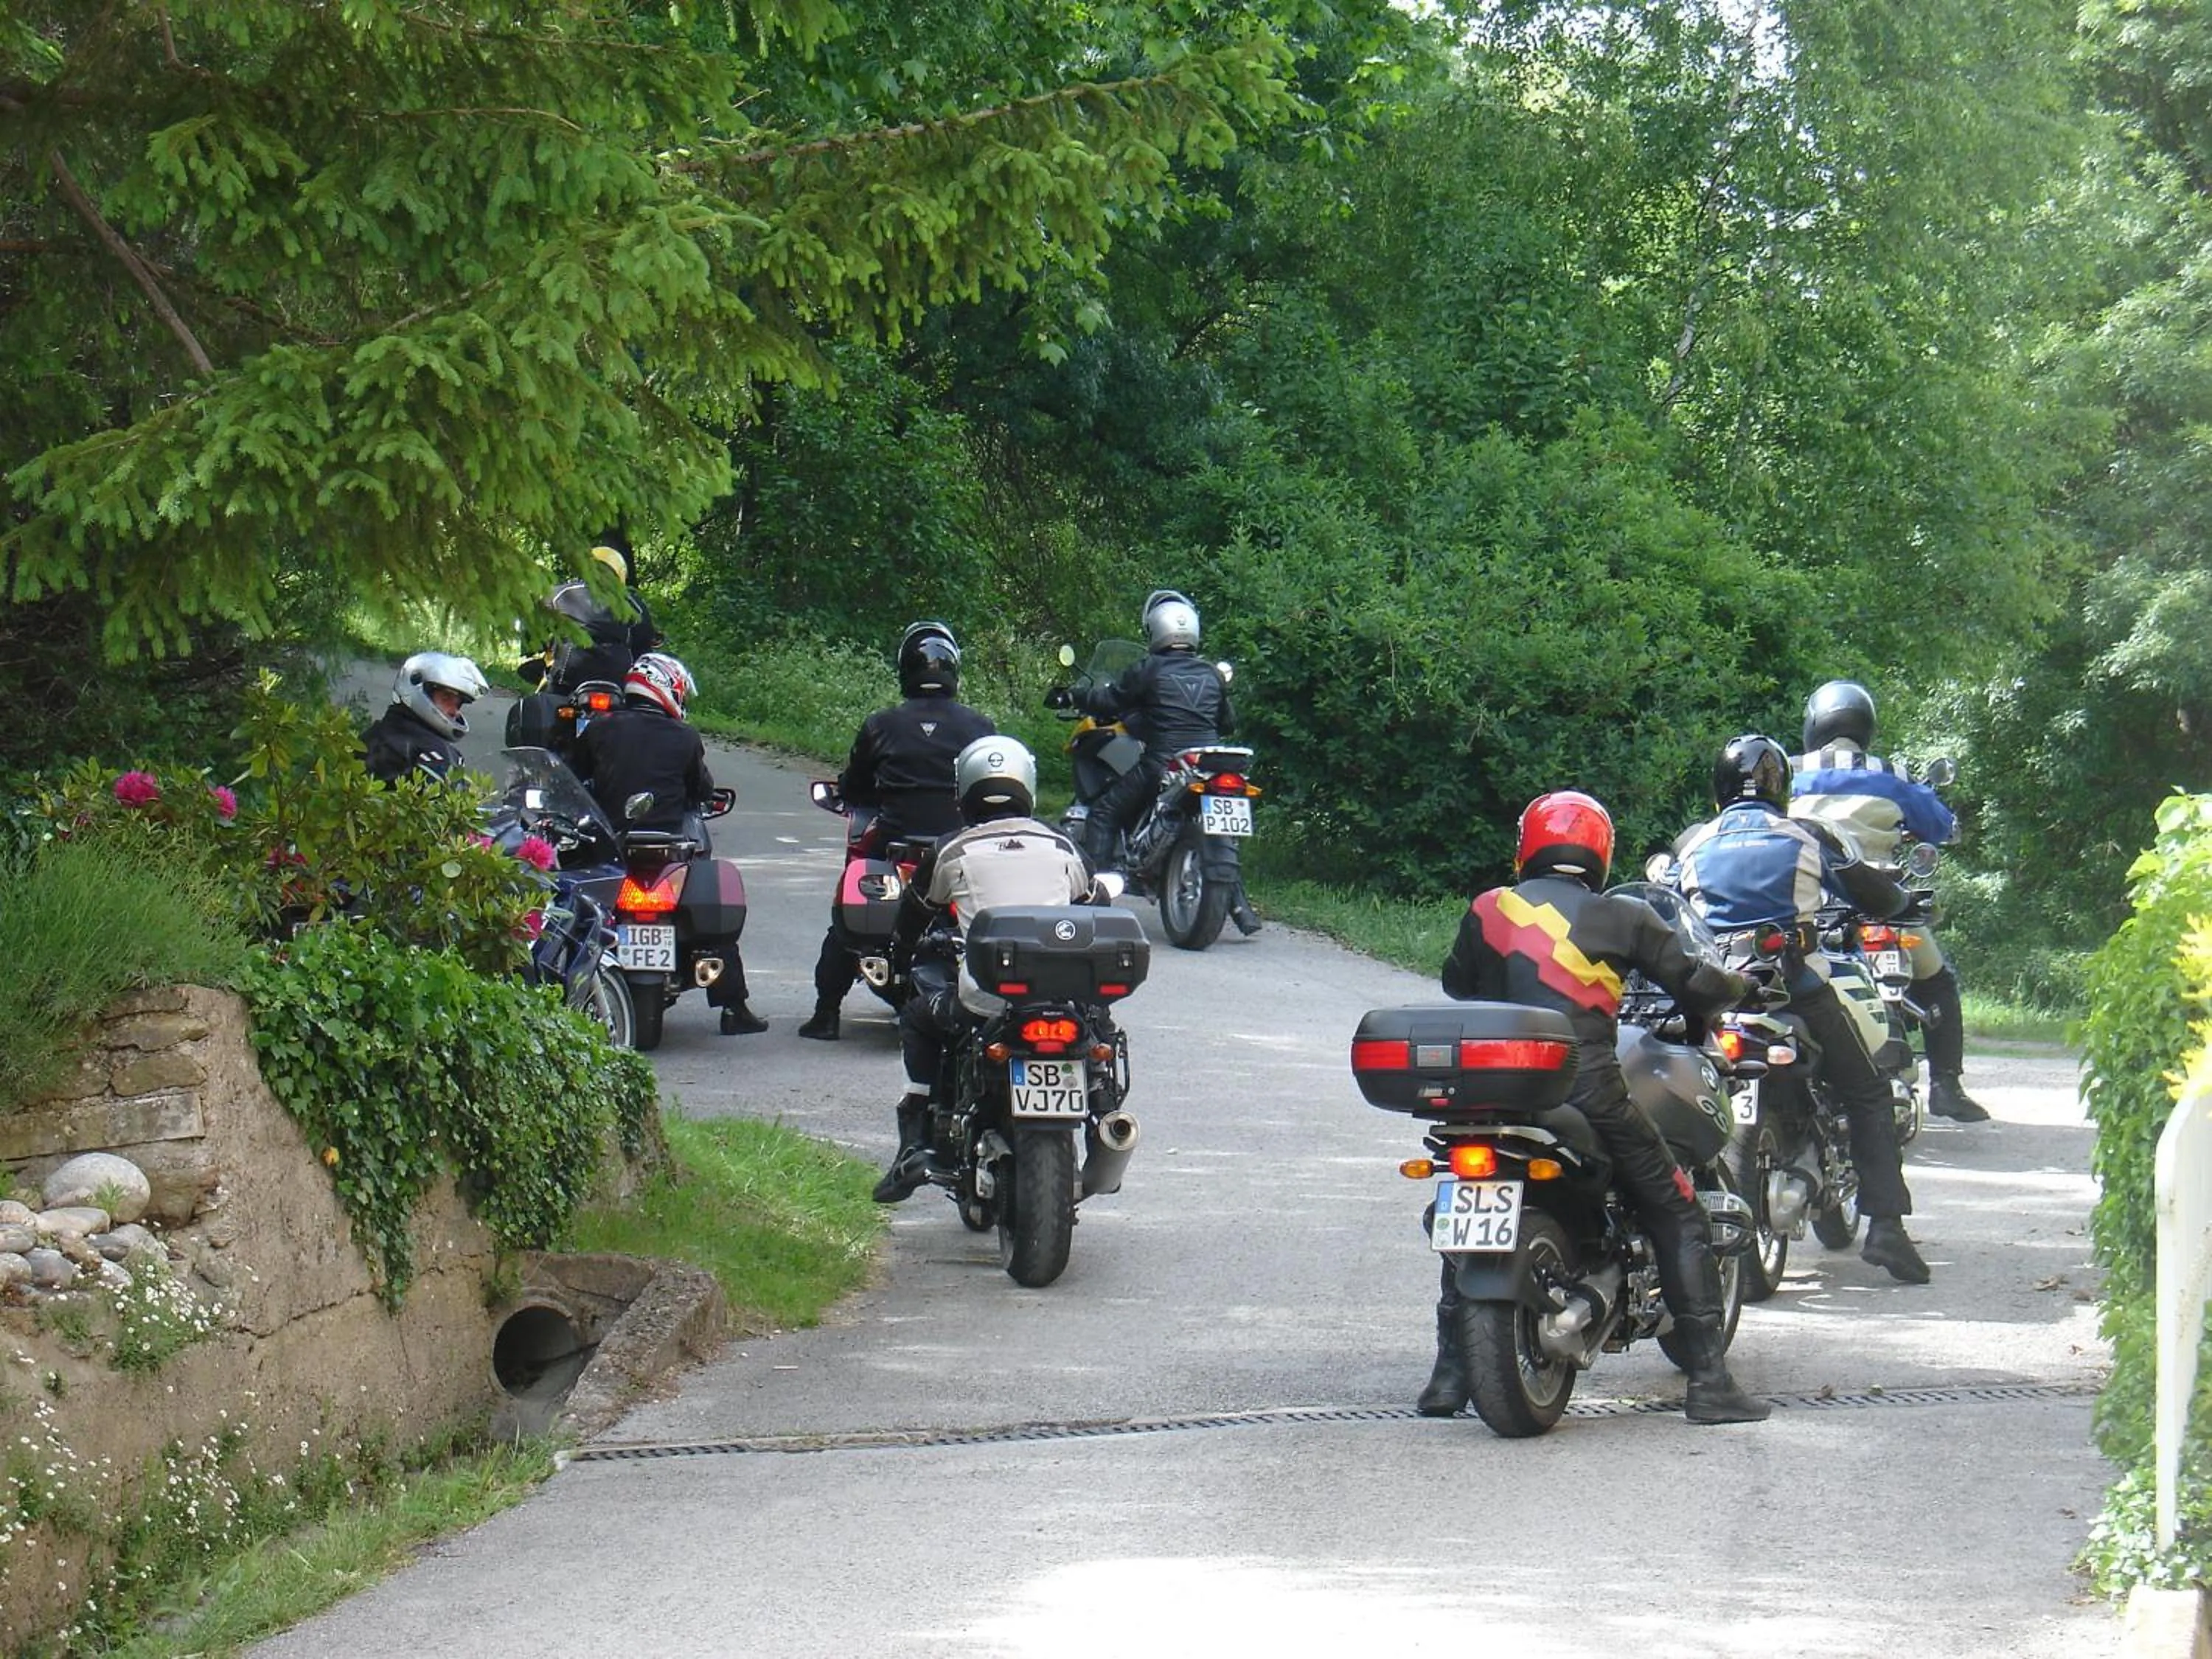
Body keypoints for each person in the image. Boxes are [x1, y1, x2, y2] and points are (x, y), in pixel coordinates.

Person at [1431, 790, 1771, 1425]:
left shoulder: (1488, 909)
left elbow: (1458, 984)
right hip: (1585, 1087)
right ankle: (1709, 1381)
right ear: (1600, 852)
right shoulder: (1621, 915)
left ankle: (1450, 1375)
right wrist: (1742, 985)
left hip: (1493, 1093)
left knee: (1474, 1207)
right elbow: (1697, 982)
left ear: (1527, 847)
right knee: (1677, 1208)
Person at [1676, 734, 1933, 1284]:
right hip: (1794, 990)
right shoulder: (1806, 835)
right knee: (1867, 1091)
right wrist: (1903, 903)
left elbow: (1670, 908)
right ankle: (1886, 1227)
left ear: (1719, 790)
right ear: (1781, 788)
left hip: (1715, 996)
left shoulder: (1693, 844)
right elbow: (1872, 892)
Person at [872, 736, 1096, 1203]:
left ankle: (914, 1141)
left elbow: (914, 914)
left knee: (918, 1018)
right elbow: (1094, 904)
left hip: (986, 1000)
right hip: (1062, 994)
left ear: (965, 790)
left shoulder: (953, 849)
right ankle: (1106, 1116)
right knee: (1100, 1032)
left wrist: (900, 957)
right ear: (1027, 786)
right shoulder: (1062, 845)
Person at [1790, 679, 1987, 1122]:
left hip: (1809, 902)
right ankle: (1947, 1085)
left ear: (1814, 723)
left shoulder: (1789, 772)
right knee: (1937, 980)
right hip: (1881, 903)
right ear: (1866, 726)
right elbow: (1941, 825)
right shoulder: (1891, 775)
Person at [796, 622, 997, 1041]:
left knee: (847, 919)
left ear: (905, 668)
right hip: (957, 845)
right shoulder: (980, 726)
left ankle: (826, 1013)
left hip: (894, 841)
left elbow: (854, 786)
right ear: (953, 669)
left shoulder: (881, 724)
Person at [571, 652, 767, 1035]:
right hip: (669, 847)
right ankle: (734, 1008)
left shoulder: (599, 729)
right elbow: (702, 789)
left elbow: (575, 778)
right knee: (711, 912)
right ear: (666, 688)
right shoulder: (685, 736)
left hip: (612, 845)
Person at [1046, 588, 1259, 934]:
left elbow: (1110, 701)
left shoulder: (1149, 669)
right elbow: (1227, 723)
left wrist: (1076, 695)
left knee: (1104, 813)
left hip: (1163, 763)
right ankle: (1241, 910)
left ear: (1157, 629)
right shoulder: (1211, 674)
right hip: (1208, 763)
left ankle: (1093, 907)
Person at [519, 543, 663, 695]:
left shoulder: (560, 594)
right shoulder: (634, 604)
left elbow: (532, 627)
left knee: (539, 705)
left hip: (569, 671)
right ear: (620, 575)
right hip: (617, 677)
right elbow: (644, 647)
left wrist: (532, 647)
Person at [362, 652, 488, 784]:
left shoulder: (370, 736)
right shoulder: (435, 752)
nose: (454, 712)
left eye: (457, 704)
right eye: (446, 698)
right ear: (418, 686)